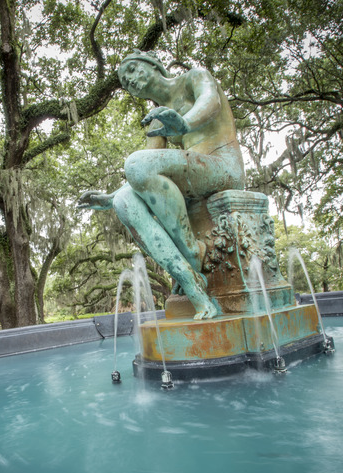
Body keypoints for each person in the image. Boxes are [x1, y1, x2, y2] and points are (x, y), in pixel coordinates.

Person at [77, 50, 245, 319]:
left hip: (222, 165)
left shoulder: (194, 78)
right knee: (124, 201)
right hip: (195, 174)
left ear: (153, 64)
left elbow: (210, 101)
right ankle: (192, 280)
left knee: (136, 164)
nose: (128, 80)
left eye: (131, 70)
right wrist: (109, 198)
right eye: (123, 80)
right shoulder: (157, 118)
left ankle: (191, 252)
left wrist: (184, 123)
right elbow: (143, 173)